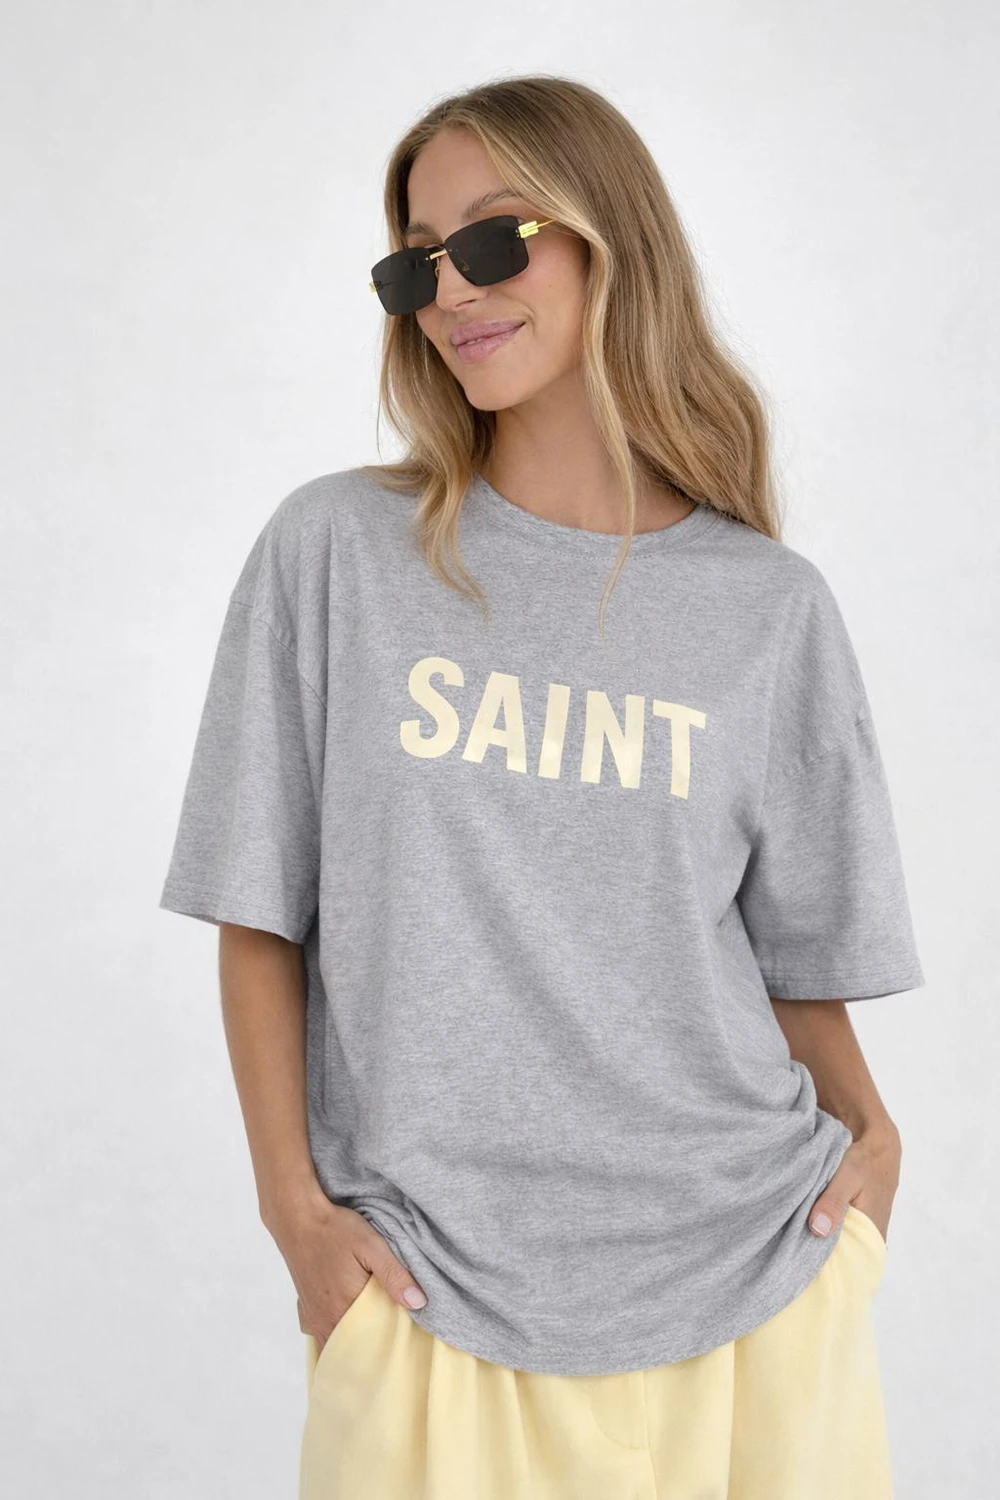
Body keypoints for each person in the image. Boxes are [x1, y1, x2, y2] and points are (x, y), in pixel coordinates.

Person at [158, 74, 925, 1500]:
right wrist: (295, 1218)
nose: (451, 289)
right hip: (428, 1298)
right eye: (416, 262)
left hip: (758, 1281)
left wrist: (876, 1140)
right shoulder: (337, 554)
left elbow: (789, 961)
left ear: (608, 240)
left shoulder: (768, 609)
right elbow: (258, 915)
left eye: (494, 238)